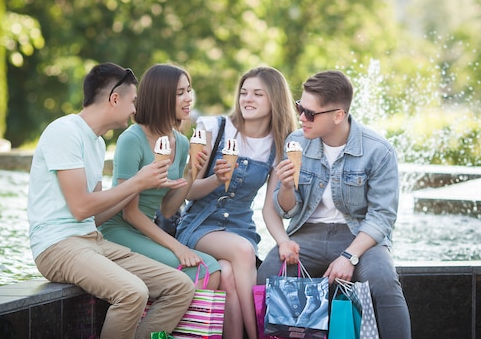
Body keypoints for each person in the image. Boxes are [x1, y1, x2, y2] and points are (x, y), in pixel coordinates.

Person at [27, 62, 195, 339]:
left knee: (180, 286)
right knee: (132, 292)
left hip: (92, 240)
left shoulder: (97, 142)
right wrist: (137, 182)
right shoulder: (65, 131)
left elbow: (96, 216)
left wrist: (141, 187)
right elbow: (80, 208)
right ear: (114, 99)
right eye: (133, 102)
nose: (135, 109)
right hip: (56, 246)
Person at [256, 70, 412, 339]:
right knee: (269, 273)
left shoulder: (379, 150)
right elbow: (287, 210)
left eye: (310, 113)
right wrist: (286, 186)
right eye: (299, 108)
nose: (302, 118)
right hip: (309, 234)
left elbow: (382, 217)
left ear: (338, 115)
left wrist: (350, 256)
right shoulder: (296, 142)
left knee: (384, 283)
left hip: (359, 236)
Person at [176, 66, 297, 339]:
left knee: (228, 274)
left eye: (257, 94)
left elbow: (270, 208)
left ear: (274, 100)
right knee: (242, 252)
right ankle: (257, 335)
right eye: (243, 93)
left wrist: (283, 241)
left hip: (240, 227)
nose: (247, 99)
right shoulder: (213, 128)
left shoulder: (279, 145)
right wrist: (217, 180)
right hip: (199, 224)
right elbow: (187, 190)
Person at [99, 64, 221, 287]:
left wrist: (191, 173)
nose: (188, 99)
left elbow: (167, 209)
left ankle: (182, 323)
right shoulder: (132, 140)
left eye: (189, 90)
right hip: (119, 231)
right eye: (180, 93)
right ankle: (178, 323)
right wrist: (177, 247)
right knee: (207, 269)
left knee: (210, 267)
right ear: (161, 97)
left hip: (148, 231)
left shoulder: (182, 143)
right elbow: (130, 213)